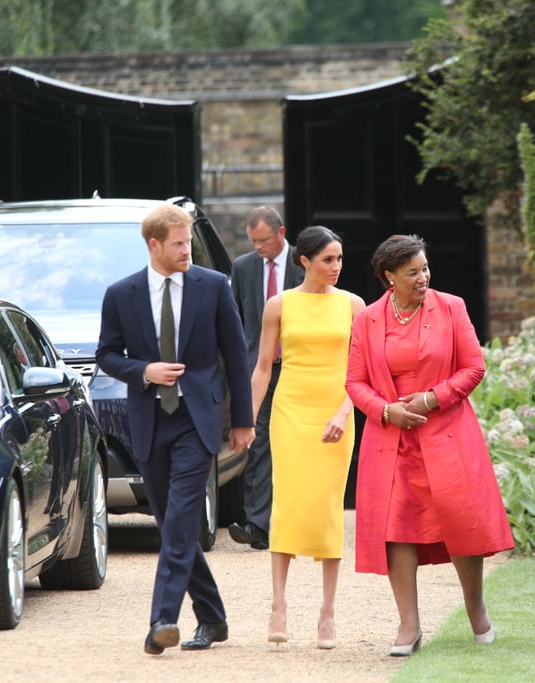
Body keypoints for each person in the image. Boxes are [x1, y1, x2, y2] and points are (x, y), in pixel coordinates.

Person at [96, 203, 256, 656]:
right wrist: (145, 369)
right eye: (179, 244)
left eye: (189, 242)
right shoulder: (121, 294)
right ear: (154, 245)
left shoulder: (213, 285)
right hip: (149, 423)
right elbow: (107, 355)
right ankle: (213, 617)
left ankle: (162, 620)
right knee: (174, 526)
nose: (188, 250)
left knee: (182, 519)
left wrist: (242, 420)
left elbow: (236, 355)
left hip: (196, 421)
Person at [345, 234, 514, 657]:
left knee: (460, 521)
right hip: (391, 440)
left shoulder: (451, 307)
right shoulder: (367, 319)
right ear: (389, 277)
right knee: (395, 528)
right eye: (412, 272)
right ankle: (408, 624)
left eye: (425, 269)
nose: (423, 278)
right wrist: (386, 411)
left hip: (446, 433)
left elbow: (475, 367)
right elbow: (354, 381)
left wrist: (432, 398)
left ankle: (476, 609)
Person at [249, 225, 365, 649]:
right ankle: (278, 606)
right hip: (290, 413)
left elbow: (363, 372)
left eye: (339, 259)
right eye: (327, 259)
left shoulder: (354, 304)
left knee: (327, 508)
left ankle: (327, 614)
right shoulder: (279, 305)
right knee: (289, 504)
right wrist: (248, 419)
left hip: (338, 413)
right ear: (304, 261)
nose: (335, 267)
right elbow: (263, 368)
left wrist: (343, 410)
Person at [228, 206, 304, 550]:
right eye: (252, 241)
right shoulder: (243, 267)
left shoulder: (304, 264)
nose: (257, 247)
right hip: (257, 370)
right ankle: (257, 525)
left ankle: (296, 522)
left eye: (263, 240)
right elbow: (235, 321)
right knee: (257, 441)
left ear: (281, 233)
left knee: (296, 443)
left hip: (298, 369)